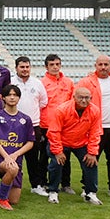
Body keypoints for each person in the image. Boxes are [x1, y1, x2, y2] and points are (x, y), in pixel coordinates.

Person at [74, 56, 110, 198]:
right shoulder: (86, 81)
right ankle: (88, 187)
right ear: (95, 65)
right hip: (95, 126)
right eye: (100, 64)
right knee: (91, 158)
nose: (103, 67)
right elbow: (76, 100)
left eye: (106, 64)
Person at [46, 87, 104, 206]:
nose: (83, 100)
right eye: (80, 97)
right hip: (61, 141)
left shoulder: (95, 111)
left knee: (91, 163)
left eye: (86, 98)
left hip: (81, 142)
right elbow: (54, 131)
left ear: (91, 98)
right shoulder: (62, 110)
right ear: (74, 97)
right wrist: (58, 151)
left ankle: (91, 193)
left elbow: (95, 132)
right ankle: (53, 191)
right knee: (56, 163)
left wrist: (92, 152)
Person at [0, 85, 35, 210]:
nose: (12, 97)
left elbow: (30, 142)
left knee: (14, 200)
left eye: (15, 95)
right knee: (12, 169)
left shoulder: (25, 119)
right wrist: (6, 157)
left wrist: (15, 155)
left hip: (15, 159)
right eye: (9, 95)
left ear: (19, 98)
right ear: (3, 98)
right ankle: (2, 200)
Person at [11, 56, 49, 193]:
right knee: (13, 154)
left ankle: (35, 186)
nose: (25, 69)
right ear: (16, 68)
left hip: (33, 125)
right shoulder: (10, 82)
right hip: (13, 125)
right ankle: (13, 183)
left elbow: (43, 102)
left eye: (27, 67)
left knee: (33, 157)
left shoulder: (37, 83)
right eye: (22, 67)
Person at [40, 54, 75, 195]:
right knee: (43, 156)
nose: (55, 67)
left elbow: (73, 103)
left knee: (65, 156)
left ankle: (65, 184)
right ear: (46, 66)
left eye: (57, 64)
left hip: (65, 126)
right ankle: (42, 183)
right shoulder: (41, 83)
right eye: (52, 64)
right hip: (46, 124)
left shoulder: (69, 82)